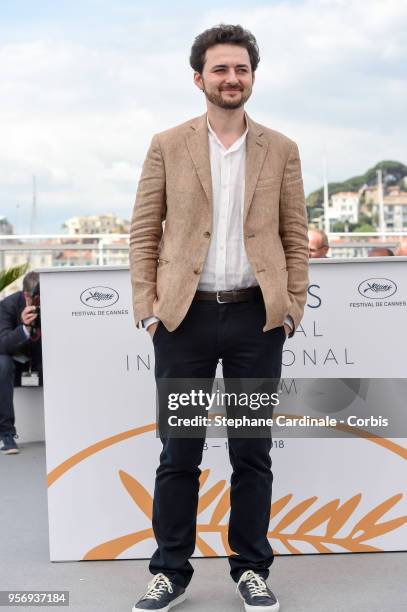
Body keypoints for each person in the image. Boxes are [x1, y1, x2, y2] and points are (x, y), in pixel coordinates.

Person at [129, 24, 308, 612]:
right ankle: (169, 571)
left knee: (251, 451)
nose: (232, 78)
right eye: (221, 69)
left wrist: (292, 308)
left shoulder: (280, 149)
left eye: (242, 69)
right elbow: (143, 233)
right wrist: (149, 311)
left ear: (252, 76)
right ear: (199, 78)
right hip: (184, 323)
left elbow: (294, 236)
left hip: (257, 320)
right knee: (179, 451)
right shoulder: (167, 143)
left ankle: (251, 567)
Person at [0, 271, 42, 455]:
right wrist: (23, 328)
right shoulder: (8, 305)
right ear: (26, 295)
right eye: (36, 298)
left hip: (42, 363)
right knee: (2, 363)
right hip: (17, 365)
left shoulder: (56, 304)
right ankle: (6, 433)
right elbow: (2, 344)